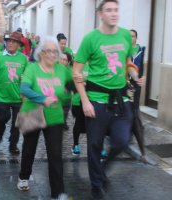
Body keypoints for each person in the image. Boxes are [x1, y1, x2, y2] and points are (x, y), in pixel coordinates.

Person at [73, 0, 144, 199]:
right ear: (100, 14)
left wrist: (134, 75)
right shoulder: (90, 39)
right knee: (95, 145)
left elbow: (128, 62)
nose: (113, 13)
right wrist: (85, 101)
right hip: (96, 100)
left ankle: (101, 170)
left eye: (116, 10)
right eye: (109, 10)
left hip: (121, 99)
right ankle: (96, 184)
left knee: (122, 141)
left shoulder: (124, 35)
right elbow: (76, 71)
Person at [17, 36, 71, 200]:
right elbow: (24, 88)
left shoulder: (62, 69)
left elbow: (72, 86)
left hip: (54, 116)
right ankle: (24, 176)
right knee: (29, 149)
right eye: (49, 51)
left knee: (55, 155)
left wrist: (79, 88)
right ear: (41, 53)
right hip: (33, 113)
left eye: (56, 51)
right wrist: (42, 99)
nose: (53, 55)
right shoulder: (33, 68)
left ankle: (58, 193)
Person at [129, 29, 146, 161]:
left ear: (136, 38)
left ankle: (137, 127)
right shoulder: (125, 50)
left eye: (133, 36)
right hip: (125, 83)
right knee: (128, 108)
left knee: (134, 108)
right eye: (129, 36)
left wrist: (142, 77)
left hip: (136, 83)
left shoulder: (141, 50)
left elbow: (142, 66)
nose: (131, 38)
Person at [59, 52, 73, 130]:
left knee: (65, 114)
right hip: (56, 99)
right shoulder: (54, 69)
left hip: (67, 98)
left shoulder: (71, 71)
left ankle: (64, 122)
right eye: (61, 59)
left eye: (64, 60)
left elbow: (73, 85)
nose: (62, 61)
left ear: (68, 62)